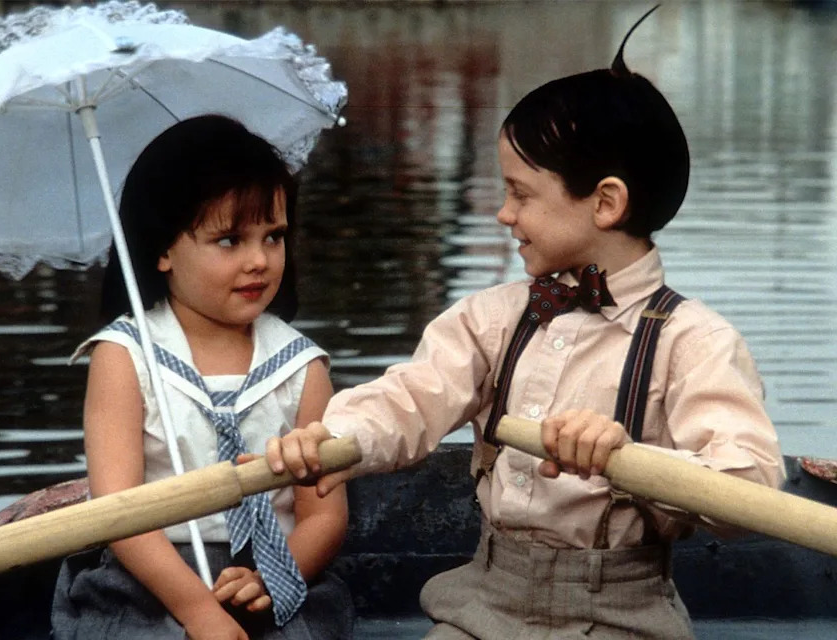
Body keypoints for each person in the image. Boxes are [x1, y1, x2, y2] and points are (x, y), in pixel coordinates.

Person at [265, 8, 784, 640]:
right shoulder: (493, 318)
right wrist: (330, 437)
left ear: (606, 202)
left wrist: (628, 456)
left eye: (521, 194)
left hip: (623, 614)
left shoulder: (696, 341)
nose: (505, 214)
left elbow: (750, 485)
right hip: (484, 600)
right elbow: (407, 399)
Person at [51, 115, 352, 640]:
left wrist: (272, 580)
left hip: (271, 570)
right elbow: (117, 511)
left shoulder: (301, 367)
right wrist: (198, 610)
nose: (260, 260)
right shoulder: (126, 357)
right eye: (230, 240)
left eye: (274, 237)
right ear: (164, 249)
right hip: (151, 572)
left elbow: (323, 518)